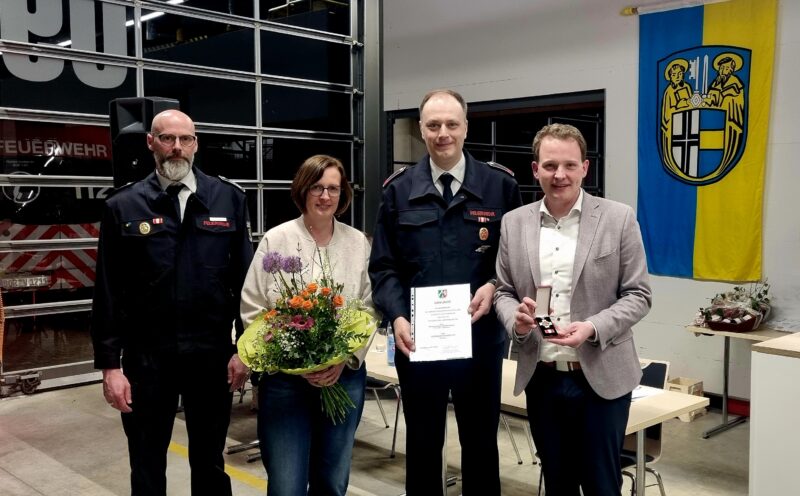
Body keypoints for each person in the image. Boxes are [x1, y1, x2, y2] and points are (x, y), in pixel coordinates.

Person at [91, 109, 254, 496]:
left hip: (211, 358)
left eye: (185, 139)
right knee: (146, 463)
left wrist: (245, 349)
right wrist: (110, 367)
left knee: (210, 462)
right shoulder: (122, 205)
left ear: (196, 144)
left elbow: (246, 284)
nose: (177, 147)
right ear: (151, 143)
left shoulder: (228, 198)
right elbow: (108, 291)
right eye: (167, 138)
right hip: (147, 360)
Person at [369, 89, 522, 495]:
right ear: (421, 129)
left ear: (466, 127)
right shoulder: (398, 190)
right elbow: (383, 267)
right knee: (422, 446)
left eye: (452, 124)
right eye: (433, 125)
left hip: (480, 340)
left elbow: (516, 263)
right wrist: (397, 316)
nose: (443, 133)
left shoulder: (499, 186)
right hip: (419, 342)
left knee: (481, 445)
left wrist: (493, 285)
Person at [493, 123, 652, 495]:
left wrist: (592, 327)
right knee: (557, 483)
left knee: (602, 486)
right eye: (550, 166)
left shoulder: (618, 218)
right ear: (536, 170)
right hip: (542, 377)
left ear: (585, 168)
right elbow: (503, 291)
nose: (559, 175)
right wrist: (516, 321)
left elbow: (638, 294)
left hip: (601, 378)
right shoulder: (514, 223)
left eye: (569, 165)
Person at [239, 154, 374, 496]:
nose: (325, 196)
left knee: (332, 482)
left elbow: (369, 308)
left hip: (342, 378)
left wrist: (345, 358)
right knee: (287, 485)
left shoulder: (358, 243)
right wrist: (289, 357)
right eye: (317, 187)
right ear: (303, 190)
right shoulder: (277, 240)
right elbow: (253, 307)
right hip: (285, 382)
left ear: (342, 194)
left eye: (333, 188)